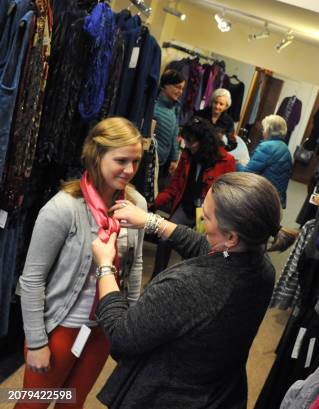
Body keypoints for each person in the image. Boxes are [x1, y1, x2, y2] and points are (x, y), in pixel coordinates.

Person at [91, 172, 280, 409]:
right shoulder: (260, 266)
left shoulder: (186, 287)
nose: (201, 219)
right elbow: (206, 247)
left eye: (207, 217)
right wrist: (153, 221)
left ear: (231, 237)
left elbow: (122, 335)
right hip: (218, 393)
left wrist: (105, 267)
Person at [16, 118, 147, 409]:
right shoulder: (63, 207)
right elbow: (32, 280)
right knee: (32, 405)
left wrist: (131, 324)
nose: (129, 170)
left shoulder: (136, 205)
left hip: (102, 329)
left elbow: (134, 266)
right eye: (121, 160)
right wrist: (37, 342)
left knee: (73, 403)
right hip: (61, 328)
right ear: (97, 155)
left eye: (135, 161)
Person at [152, 116, 236, 276]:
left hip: (205, 213)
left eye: (191, 142)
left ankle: (184, 283)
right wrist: (153, 203)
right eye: (186, 141)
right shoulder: (187, 155)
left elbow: (229, 196)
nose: (188, 146)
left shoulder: (226, 160)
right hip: (186, 206)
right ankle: (156, 278)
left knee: (194, 250)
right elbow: (174, 186)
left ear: (204, 140)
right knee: (165, 238)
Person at [238, 114, 292, 208]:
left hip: (264, 198)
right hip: (276, 198)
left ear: (269, 130)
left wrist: (236, 163)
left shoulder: (267, 147)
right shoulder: (284, 147)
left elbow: (247, 173)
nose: (262, 132)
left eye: (264, 129)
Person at [153, 69, 185, 189]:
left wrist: (174, 158)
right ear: (166, 85)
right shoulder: (153, 105)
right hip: (151, 160)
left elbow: (174, 135)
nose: (180, 92)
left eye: (182, 88)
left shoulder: (174, 107)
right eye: (178, 87)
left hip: (164, 164)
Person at [194, 88, 240, 152]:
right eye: (215, 102)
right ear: (212, 102)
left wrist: (221, 151)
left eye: (221, 104)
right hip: (195, 151)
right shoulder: (200, 114)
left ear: (226, 106)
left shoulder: (229, 122)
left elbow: (233, 143)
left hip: (213, 156)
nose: (217, 106)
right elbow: (188, 131)